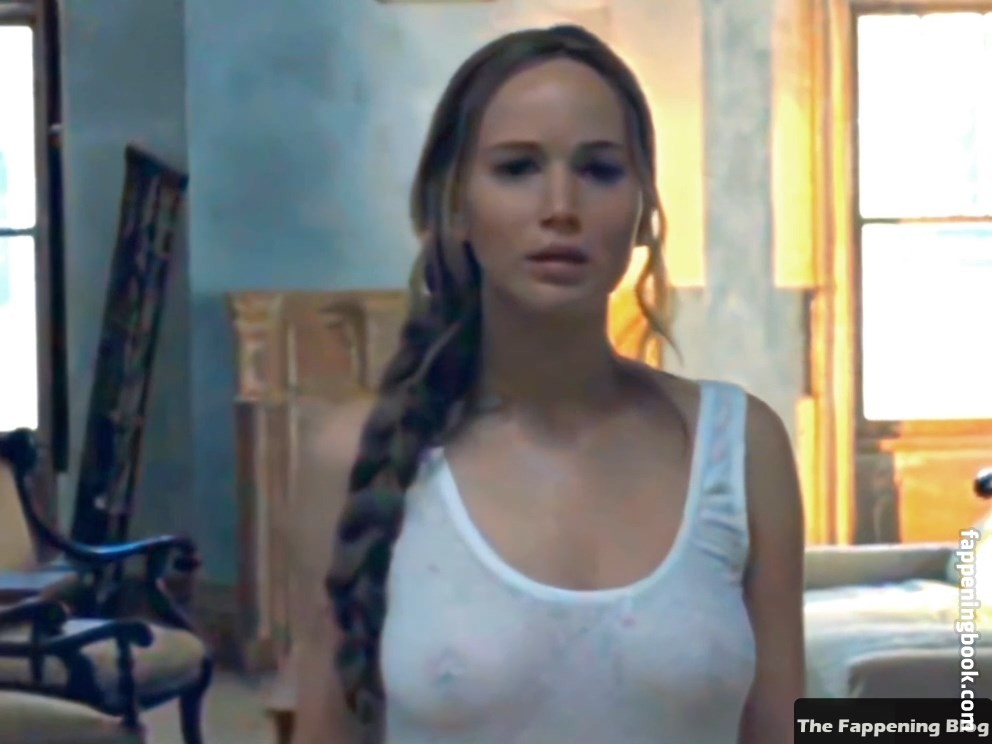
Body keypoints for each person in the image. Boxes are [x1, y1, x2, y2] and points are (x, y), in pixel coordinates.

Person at [292, 23, 805, 744]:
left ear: (643, 213)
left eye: (599, 170)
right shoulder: (354, 457)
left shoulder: (742, 449)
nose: (561, 206)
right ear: (454, 207)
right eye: (517, 168)